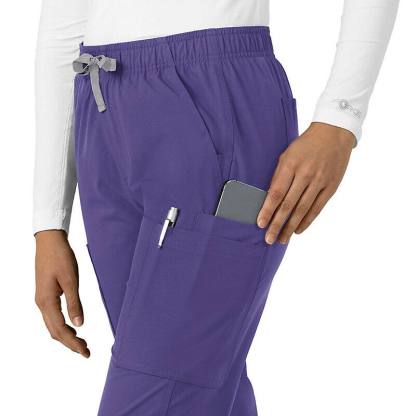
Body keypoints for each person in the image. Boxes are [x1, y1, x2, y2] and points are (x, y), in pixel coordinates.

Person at [34, 1, 400, 414]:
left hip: (211, 95)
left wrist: (340, 117)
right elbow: (62, 26)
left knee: (161, 389)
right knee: (198, 385)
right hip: (99, 106)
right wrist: (49, 222)